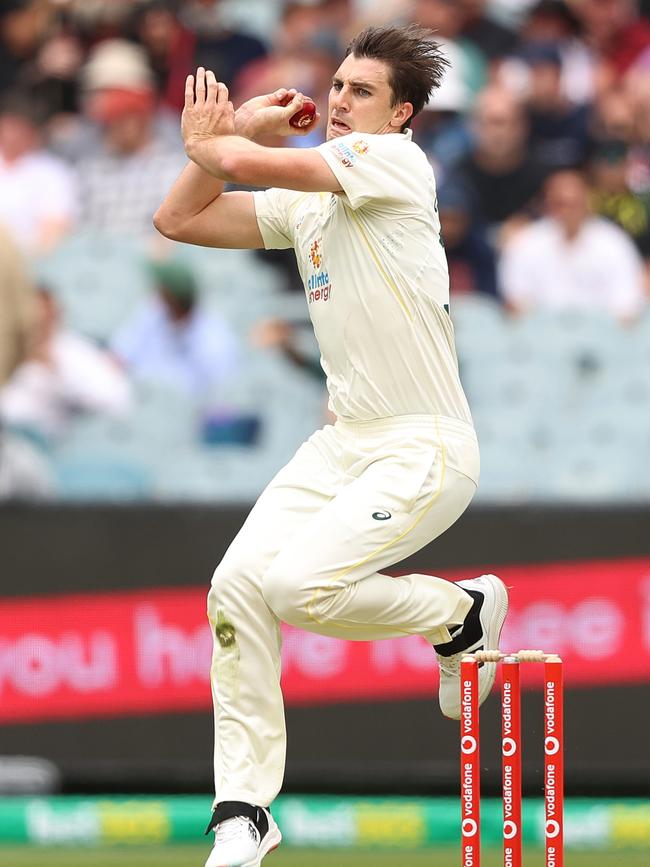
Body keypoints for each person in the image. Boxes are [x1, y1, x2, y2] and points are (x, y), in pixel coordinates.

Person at [154, 24, 508, 867]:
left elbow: (245, 164)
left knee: (296, 585)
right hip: (343, 441)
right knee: (237, 585)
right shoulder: (311, 198)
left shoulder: (396, 164)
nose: (340, 101)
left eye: (361, 93)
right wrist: (221, 147)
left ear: (402, 115)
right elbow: (179, 217)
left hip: (423, 443)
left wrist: (231, 134)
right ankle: (244, 811)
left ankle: (459, 613)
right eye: (337, 85)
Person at [499, 169, 647, 321]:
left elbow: (627, 304)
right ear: (547, 203)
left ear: (587, 201)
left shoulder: (613, 243)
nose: (568, 212)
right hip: (541, 336)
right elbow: (515, 301)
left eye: (574, 203)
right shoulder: (526, 243)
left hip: (600, 336)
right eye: (560, 204)